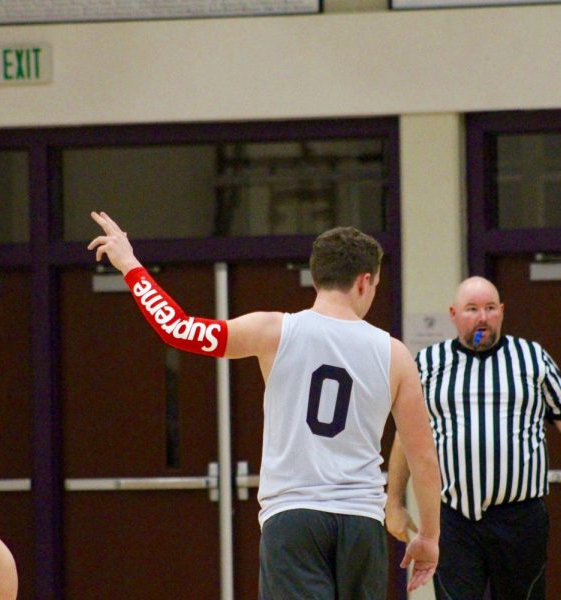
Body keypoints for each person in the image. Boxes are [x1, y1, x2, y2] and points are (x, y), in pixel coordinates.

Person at [88, 211, 441, 598]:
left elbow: (178, 330)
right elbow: (423, 457)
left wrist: (130, 265)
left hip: (293, 518)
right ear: (365, 280)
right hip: (361, 520)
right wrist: (428, 536)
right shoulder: (396, 354)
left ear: (317, 275)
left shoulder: (275, 330)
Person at [385, 276, 561, 600]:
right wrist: (394, 501)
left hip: (519, 519)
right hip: (453, 518)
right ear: (454, 314)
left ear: (501, 311)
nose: (482, 317)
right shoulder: (429, 363)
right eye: (472, 309)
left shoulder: (531, 358)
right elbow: (406, 435)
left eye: (489, 308)